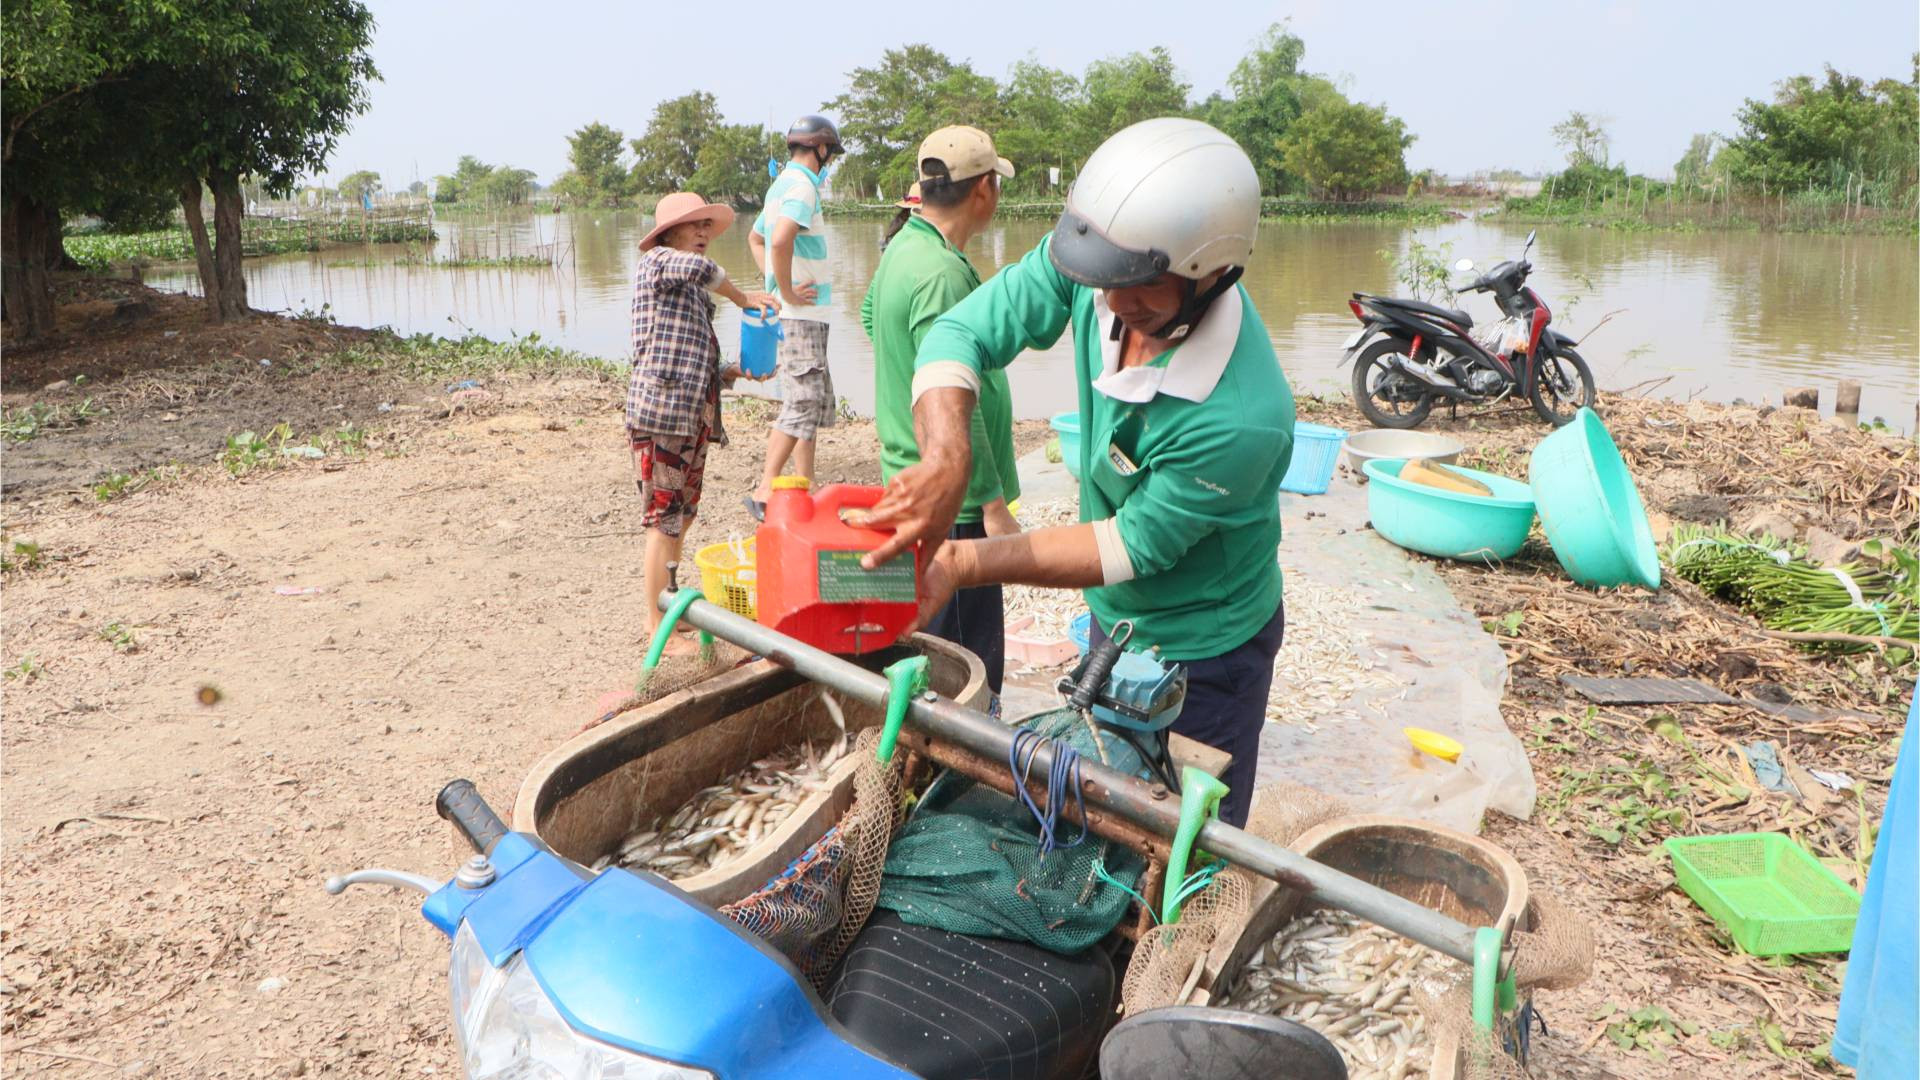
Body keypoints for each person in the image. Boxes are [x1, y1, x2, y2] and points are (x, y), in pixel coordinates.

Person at [863, 118, 1295, 826]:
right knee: (1102, 817)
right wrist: (947, 454)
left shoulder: (1242, 418)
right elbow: (958, 334)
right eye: (1102, 283)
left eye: (1142, 292)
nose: (1113, 304)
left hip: (1207, 648)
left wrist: (958, 563)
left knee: (1187, 839)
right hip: (1112, 621)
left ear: (1214, 273)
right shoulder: (1105, 267)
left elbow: (1128, 548)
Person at [860, 127, 1020, 698]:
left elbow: (872, 317)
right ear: (983, 190)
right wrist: (993, 504)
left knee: (927, 639)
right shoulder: (944, 273)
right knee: (966, 664)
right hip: (954, 499)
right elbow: (957, 406)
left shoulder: (905, 247)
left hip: (908, 473)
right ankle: (955, 767)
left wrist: (905, 376)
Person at [627, 191, 779, 654]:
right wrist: (743, 298)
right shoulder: (658, 265)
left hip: (691, 415)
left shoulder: (689, 291)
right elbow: (702, 270)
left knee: (683, 517)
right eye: (692, 226)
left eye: (705, 228)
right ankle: (658, 628)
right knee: (663, 521)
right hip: (662, 415)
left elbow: (698, 361)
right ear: (666, 235)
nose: (702, 235)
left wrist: (733, 372)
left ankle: (669, 609)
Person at [745, 114, 844, 520]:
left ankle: (805, 480)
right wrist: (784, 291)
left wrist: (772, 284)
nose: (830, 162)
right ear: (820, 149)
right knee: (802, 399)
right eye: (830, 155)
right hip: (801, 313)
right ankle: (767, 485)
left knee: (809, 397)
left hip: (802, 313)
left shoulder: (779, 185)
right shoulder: (803, 185)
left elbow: (757, 238)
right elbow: (780, 239)